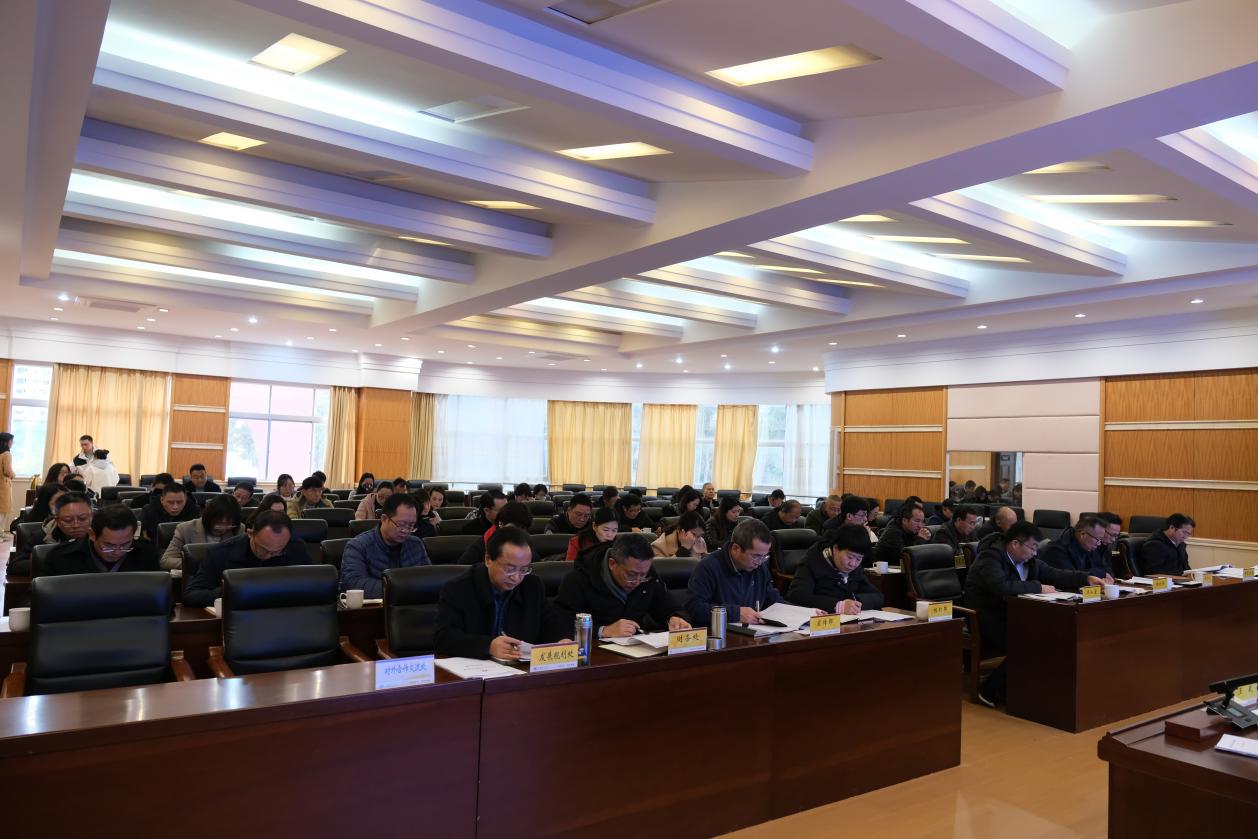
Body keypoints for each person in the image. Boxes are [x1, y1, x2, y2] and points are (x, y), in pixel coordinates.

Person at [964, 521, 1104, 707]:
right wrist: (1038, 587)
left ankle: (1026, 690)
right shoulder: (990, 558)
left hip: (1015, 614)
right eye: (1032, 547)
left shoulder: (1028, 560)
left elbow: (1054, 573)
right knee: (1031, 642)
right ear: (1015, 544)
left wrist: (1085, 577)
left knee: (1052, 636)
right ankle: (989, 691)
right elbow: (1001, 586)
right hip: (987, 617)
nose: (1035, 553)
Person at [433, 527, 570, 660]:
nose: (516, 577)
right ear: (488, 560)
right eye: (509, 569)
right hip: (474, 669)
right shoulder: (458, 588)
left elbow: (550, 622)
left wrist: (561, 639)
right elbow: (443, 638)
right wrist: (489, 646)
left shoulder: (532, 585)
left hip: (520, 667)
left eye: (523, 569)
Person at [555, 533, 691, 638]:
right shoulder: (578, 580)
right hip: (594, 654)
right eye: (631, 575)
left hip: (636, 651)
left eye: (643, 575)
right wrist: (603, 631)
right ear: (612, 564)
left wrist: (676, 618)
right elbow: (561, 625)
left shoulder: (648, 577)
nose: (637, 581)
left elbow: (668, 606)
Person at [686, 519, 810, 627]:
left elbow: (774, 600)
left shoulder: (759, 567)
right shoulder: (708, 567)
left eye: (765, 556)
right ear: (736, 548)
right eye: (756, 556)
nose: (760, 562)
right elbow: (695, 608)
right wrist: (737, 613)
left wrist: (803, 614)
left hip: (754, 633)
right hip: (719, 634)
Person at [183, 510, 310, 608]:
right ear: (250, 534)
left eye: (276, 552)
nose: (268, 556)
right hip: (240, 617)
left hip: (283, 613)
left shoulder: (296, 547)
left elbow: (311, 586)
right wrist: (232, 590)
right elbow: (191, 596)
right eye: (263, 549)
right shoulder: (220, 553)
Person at [341, 493, 431, 598]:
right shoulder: (358, 546)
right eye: (401, 524)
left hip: (411, 605)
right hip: (375, 606)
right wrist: (403, 588)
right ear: (384, 519)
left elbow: (429, 579)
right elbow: (354, 584)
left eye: (411, 525)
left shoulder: (416, 544)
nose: (406, 530)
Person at [788, 523, 884, 614]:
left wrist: (855, 602)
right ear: (835, 548)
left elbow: (878, 597)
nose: (853, 564)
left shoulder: (855, 568)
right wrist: (838, 605)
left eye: (859, 559)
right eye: (850, 557)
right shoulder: (812, 563)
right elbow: (796, 596)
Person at [44, 504, 160, 575]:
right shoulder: (60, 558)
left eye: (125, 545)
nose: (117, 552)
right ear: (92, 534)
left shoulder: (146, 553)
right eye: (109, 546)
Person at [161, 494, 244, 571]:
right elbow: (166, 561)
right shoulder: (185, 529)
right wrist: (200, 565)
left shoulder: (238, 528)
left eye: (228, 524)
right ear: (208, 517)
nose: (223, 528)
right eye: (218, 523)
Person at [7, 484, 69, 577]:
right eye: (58, 503)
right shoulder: (43, 533)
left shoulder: (87, 536)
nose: (76, 524)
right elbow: (15, 566)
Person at [1040, 516, 1115, 580]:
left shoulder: (1089, 546)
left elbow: (1104, 569)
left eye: (1101, 540)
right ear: (1082, 534)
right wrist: (1100, 574)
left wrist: (1104, 576)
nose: (1099, 544)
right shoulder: (1057, 549)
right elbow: (1072, 577)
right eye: (1098, 539)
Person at [872, 502, 930, 568]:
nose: (920, 526)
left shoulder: (913, 530)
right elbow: (906, 558)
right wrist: (920, 540)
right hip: (884, 571)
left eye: (922, 522)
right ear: (904, 520)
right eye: (917, 521)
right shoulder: (893, 532)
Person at [0, 433, 14, 538]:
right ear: (6, 442)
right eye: (11, 441)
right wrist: (13, 475)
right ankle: (0, 533)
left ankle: (1, 533)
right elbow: (8, 471)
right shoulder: (7, 454)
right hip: (3, 485)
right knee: (3, 511)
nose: (12, 443)